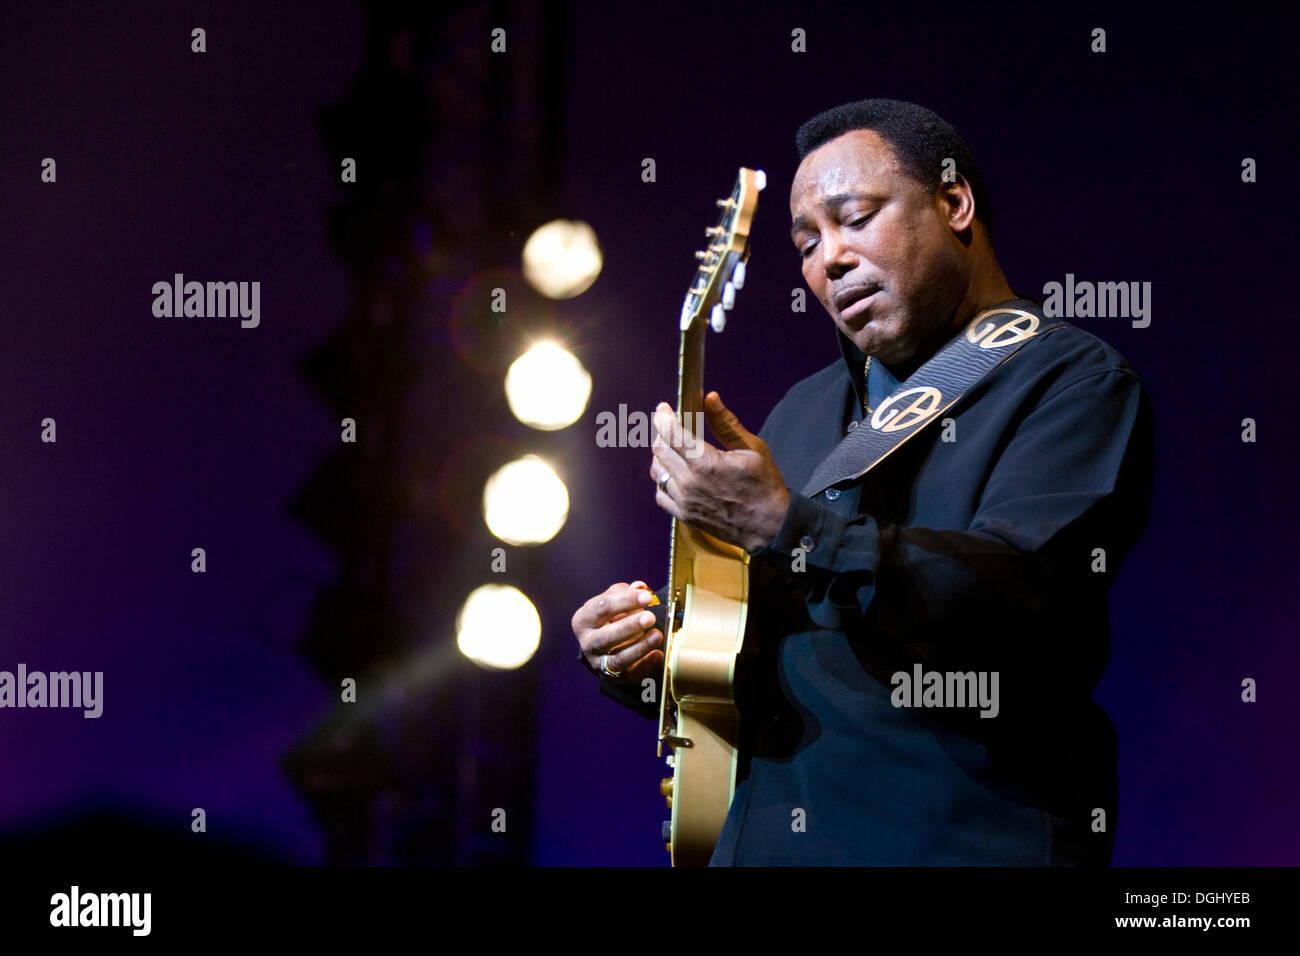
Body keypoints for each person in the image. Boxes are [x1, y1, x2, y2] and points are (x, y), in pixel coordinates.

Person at [571, 98, 1155, 865]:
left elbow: (1020, 601)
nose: (829, 260)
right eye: (807, 243)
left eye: (855, 218)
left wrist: (789, 527)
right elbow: (765, 666)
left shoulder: (1072, 381)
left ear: (953, 203)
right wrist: (651, 664)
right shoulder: (802, 413)